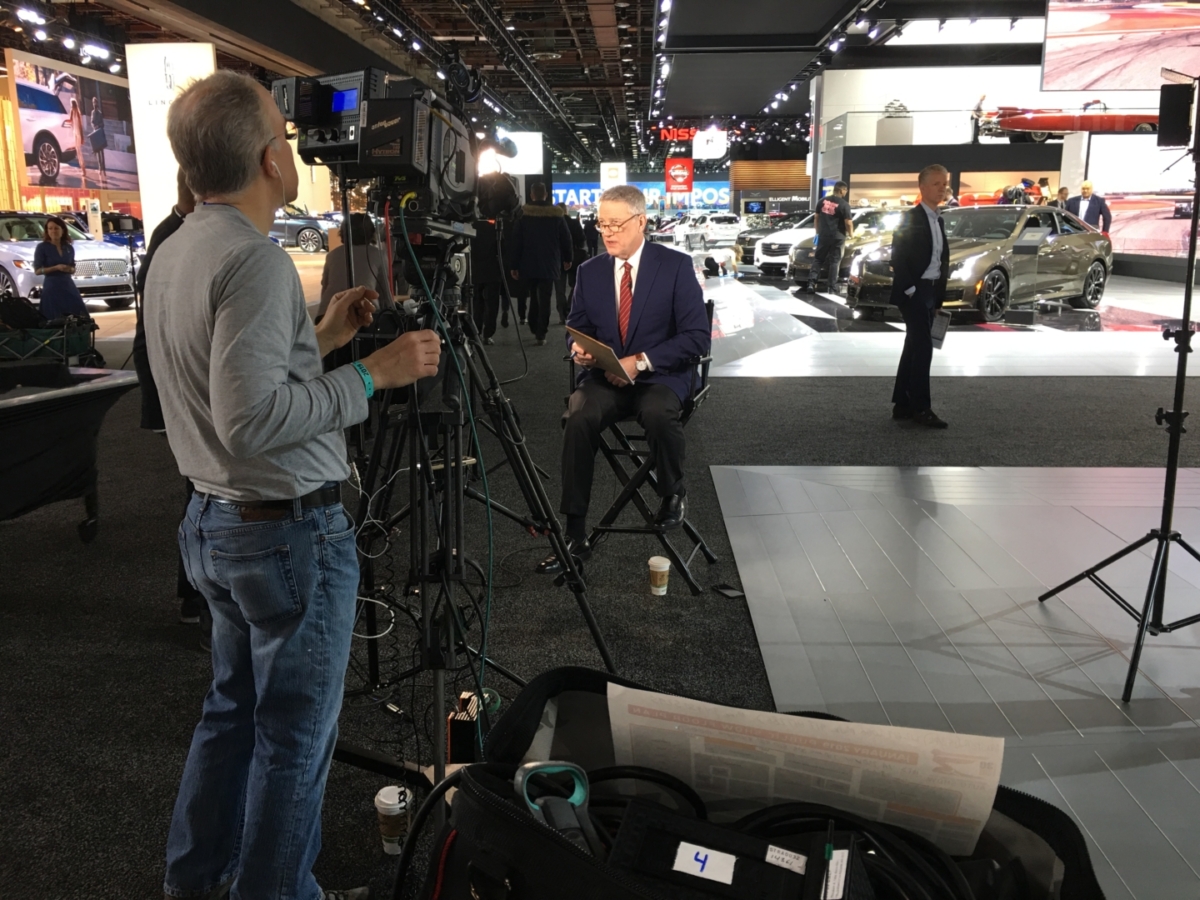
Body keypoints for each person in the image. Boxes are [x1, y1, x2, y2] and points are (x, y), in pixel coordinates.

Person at [146, 70, 441, 900]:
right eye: (285, 130)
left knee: (232, 718)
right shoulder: (255, 261)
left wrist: (322, 337)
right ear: (271, 158)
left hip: (216, 523)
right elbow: (251, 419)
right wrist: (374, 376)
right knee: (293, 740)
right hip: (284, 536)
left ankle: (197, 883)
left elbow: (230, 383)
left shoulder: (178, 250)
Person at [537, 184, 710, 575]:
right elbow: (576, 325)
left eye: (616, 224)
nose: (608, 232)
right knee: (578, 414)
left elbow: (696, 337)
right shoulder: (590, 270)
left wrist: (639, 362)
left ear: (641, 221)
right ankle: (575, 531)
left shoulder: (675, 266)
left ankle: (672, 491)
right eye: (602, 224)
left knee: (658, 414)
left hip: (661, 376)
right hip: (604, 377)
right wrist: (578, 347)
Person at [131, 170, 208, 641]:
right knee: (199, 494)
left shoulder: (175, 232)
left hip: (176, 387)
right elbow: (159, 332)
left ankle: (196, 597)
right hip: (175, 389)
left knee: (198, 493)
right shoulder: (174, 237)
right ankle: (197, 600)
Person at [890, 164, 951, 429]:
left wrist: (937, 299)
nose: (942, 188)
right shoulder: (910, 218)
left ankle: (902, 404)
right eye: (937, 184)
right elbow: (898, 257)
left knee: (914, 347)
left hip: (930, 291)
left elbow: (940, 259)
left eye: (944, 183)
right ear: (923, 187)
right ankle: (921, 407)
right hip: (914, 291)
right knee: (923, 348)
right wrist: (911, 291)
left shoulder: (939, 218)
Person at [508, 182, 572, 345]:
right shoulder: (556, 214)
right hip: (549, 262)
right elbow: (566, 238)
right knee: (545, 297)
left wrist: (514, 265)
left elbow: (516, 241)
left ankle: (533, 323)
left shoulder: (523, 214)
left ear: (531, 195)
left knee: (533, 296)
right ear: (545, 195)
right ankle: (541, 333)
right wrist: (568, 258)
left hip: (527, 262)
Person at [318, 213, 397, 319]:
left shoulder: (332, 255)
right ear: (371, 232)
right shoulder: (377, 255)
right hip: (364, 314)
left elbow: (325, 287)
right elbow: (384, 292)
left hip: (328, 313)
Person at [33, 216, 86, 319]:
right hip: (52, 287)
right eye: (50, 228)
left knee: (76, 315)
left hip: (68, 286)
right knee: (54, 316)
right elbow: (37, 271)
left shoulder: (68, 247)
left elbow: (72, 267)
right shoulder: (42, 248)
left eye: (56, 228)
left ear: (62, 230)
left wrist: (69, 269)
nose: (53, 231)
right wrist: (56, 268)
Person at [811, 181, 853, 294]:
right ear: (841, 190)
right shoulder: (844, 204)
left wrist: (817, 232)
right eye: (845, 190)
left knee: (818, 259)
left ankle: (811, 284)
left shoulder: (822, 201)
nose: (846, 192)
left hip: (824, 235)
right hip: (838, 237)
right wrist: (851, 235)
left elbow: (816, 217)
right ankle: (831, 287)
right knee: (835, 262)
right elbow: (848, 222)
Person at [471, 218, 505, 343]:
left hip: (475, 269)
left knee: (476, 301)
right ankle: (488, 333)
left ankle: (476, 331)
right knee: (492, 303)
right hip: (493, 269)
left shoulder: (471, 225)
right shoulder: (495, 226)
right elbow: (502, 248)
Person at [555, 204, 586, 325]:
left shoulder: (555, 223)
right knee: (575, 285)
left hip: (558, 259)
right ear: (566, 211)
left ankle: (562, 315)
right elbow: (582, 241)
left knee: (559, 289)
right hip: (575, 258)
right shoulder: (574, 223)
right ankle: (569, 307)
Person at [67, 98, 89, 186]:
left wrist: (82, 137)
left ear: (73, 104)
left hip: (78, 134)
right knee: (77, 151)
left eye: (71, 104)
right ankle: (82, 168)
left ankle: (83, 169)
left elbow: (80, 125)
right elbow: (70, 120)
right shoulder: (72, 112)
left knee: (79, 151)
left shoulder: (78, 113)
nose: (71, 106)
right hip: (75, 134)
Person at [89, 97, 108, 187]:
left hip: (100, 133)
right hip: (95, 133)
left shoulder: (100, 113)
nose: (94, 104)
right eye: (93, 103)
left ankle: (103, 169)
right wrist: (94, 126)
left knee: (102, 153)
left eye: (95, 102)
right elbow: (92, 122)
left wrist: (98, 126)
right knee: (97, 152)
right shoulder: (92, 113)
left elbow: (103, 123)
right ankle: (100, 168)